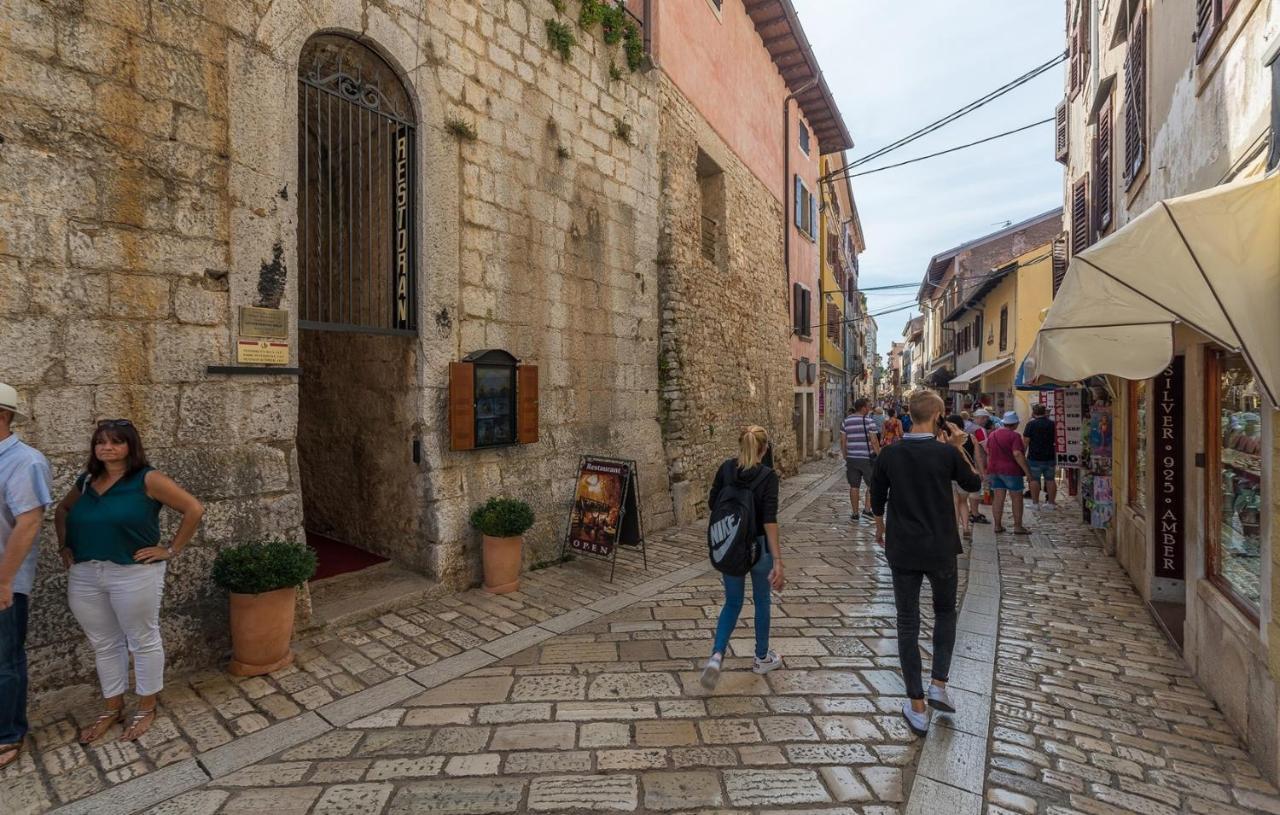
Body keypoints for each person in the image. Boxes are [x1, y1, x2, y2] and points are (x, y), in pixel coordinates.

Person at [56, 420, 204, 743]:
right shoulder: (86, 481)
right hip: (85, 574)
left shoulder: (147, 479)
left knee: (142, 639)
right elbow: (62, 510)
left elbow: (193, 508)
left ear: (129, 447)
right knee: (104, 643)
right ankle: (112, 707)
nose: (106, 448)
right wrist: (64, 545)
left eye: (115, 442)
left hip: (133, 572)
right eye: (101, 442)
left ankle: (147, 706)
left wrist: (170, 549)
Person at [871, 391, 981, 736]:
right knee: (945, 613)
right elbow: (974, 482)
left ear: (909, 414)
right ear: (938, 417)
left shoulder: (890, 453)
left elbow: (877, 498)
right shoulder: (947, 452)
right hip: (940, 548)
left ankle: (916, 706)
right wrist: (961, 444)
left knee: (907, 622)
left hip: (903, 548)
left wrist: (880, 527)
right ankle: (938, 684)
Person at [701, 426, 784, 689]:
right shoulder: (768, 477)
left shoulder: (726, 469)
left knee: (732, 602)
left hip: (732, 543)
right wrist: (778, 560)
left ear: (740, 446)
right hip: (759, 546)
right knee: (762, 600)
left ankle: (717, 655)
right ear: (764, 449)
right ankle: (761, 657)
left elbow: (713, 504)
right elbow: (770, 520)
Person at [0, 384, 53, 770]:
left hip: (3, 581)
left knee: (4, 661)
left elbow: (30, 522)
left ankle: (8, 733)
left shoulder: (25, 461)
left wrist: (4, 581)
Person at [986, 411, 1032, 535]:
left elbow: (988, 452)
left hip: (994, 470)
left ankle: (997, 525)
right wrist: (1027, 472)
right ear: (1015, 424)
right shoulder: (1015, 436)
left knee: (998, 498)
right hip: (1011, 471)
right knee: (1016, 498)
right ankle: (1018, 526)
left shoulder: (992, 435)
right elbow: (1017, 454)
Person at [841, 398, 881, 522]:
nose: (870, 408)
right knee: (872, 484)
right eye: (868, 406)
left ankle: (854, 514)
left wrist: (845, 455)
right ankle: (867, 510)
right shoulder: (869, 422)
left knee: (854, 486)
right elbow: (874, 441)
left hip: (852, 458)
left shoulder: (846, 421)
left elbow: (843, 441)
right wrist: (879, 455)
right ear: (863, 408)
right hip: (867, 459)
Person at [944, 414, 980, 539]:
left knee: (954, 503)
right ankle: (965, 528)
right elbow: (977, 457)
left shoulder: (947, 439)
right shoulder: (971, 438)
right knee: (963, 502)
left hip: (951, 475)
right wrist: (979, 471)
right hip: (966, 474)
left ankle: (955, 530)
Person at [1024, 403, 1058, 509]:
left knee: (1034, 480)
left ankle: (1035, 503)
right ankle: (1051, 503)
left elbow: (1026, 441)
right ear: (1044, 412)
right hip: (1050, 456)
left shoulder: (1031, 425)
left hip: (1034, 457)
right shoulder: (1052, 424)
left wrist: (1023, 454)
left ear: (1034, 413)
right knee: (1050, 480)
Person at [963, 409, 992, 526]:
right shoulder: (979, 430)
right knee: (976, 488)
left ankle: (972, 511)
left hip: (966, 461)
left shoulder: (967, 426)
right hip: (977, 462)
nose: (985, 420)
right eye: (984, 418)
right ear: (978, 418)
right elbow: (986, 446)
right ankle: (975, 513)